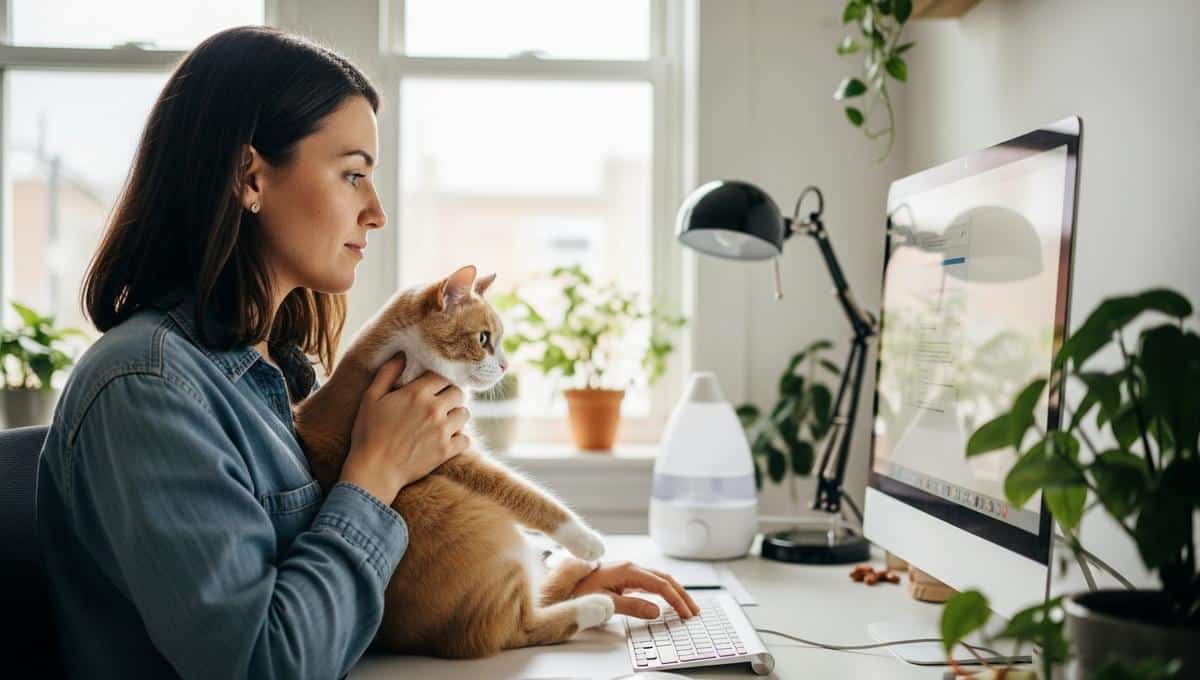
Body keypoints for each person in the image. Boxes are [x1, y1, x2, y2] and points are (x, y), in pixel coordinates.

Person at [36, 26, 697, 680]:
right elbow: (265, 663)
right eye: (352, 174)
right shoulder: (147, 388)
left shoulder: (271, 375)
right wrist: (373, 475)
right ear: (250, 177)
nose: (376, 211)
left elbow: (340, 601)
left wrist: (543, 584)